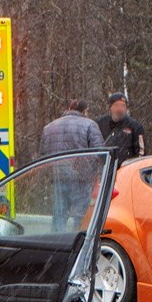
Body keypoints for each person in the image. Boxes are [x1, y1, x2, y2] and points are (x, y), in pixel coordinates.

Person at [40, 99, 105, 232]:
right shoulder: (89, 125)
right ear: (84, 111)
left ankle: (57, 245)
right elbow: (100, 152)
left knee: (59, 215)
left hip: (58, 179)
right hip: (81, 179)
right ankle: (79, 245)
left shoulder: (49, 127)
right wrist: (97, 173)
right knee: (80, 216)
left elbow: (43, 155)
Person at [97, 92, 145, 164]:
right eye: (116, 105)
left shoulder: (135, 126)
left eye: (123, 106)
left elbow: (141, 151)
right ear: (110, 107)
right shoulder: (100, 123)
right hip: (105, 169)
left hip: (126, 169)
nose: (120, 109)